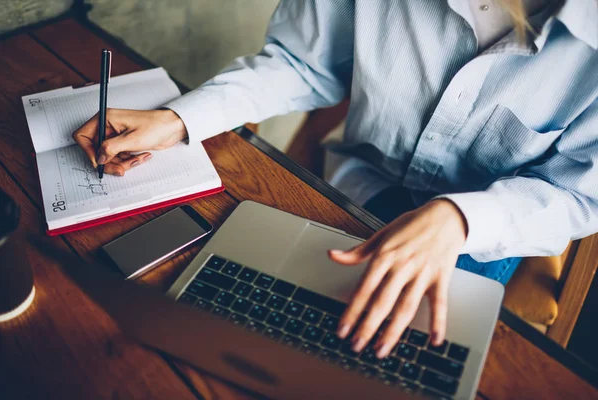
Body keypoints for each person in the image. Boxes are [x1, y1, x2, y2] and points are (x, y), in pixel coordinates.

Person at [73, 0, 598, 359]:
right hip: (357, 179)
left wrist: (460, 218)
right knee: (235, 304)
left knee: (379, 355)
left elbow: (576, 192)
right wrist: (179, 120)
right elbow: (302, 64)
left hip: (487, 227)